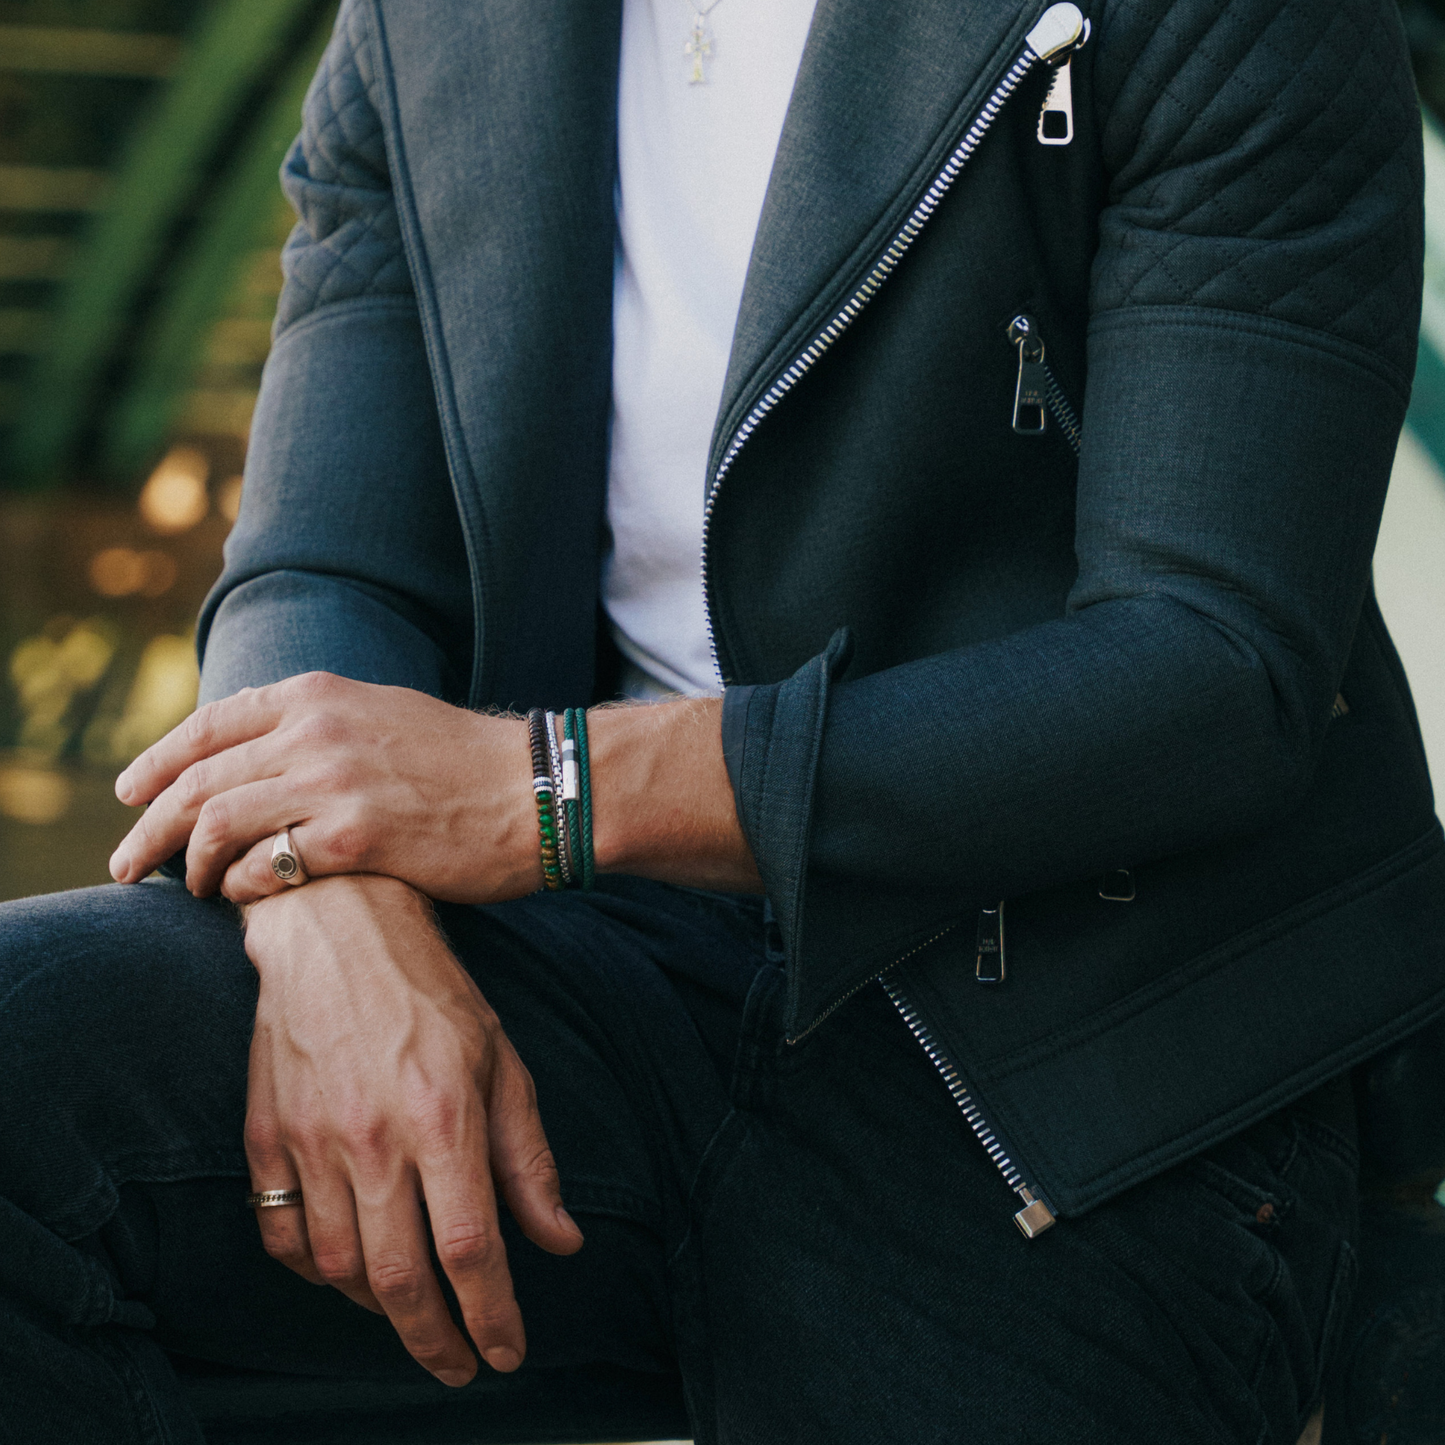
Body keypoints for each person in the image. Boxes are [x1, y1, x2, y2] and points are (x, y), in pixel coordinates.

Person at [2, 0, 1441, 1440]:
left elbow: (1212, 671)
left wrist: (544, 791)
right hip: (604, 970)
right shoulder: (433, 26)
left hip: (1075, 1045)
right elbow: (328, 561)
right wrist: (331, 911)